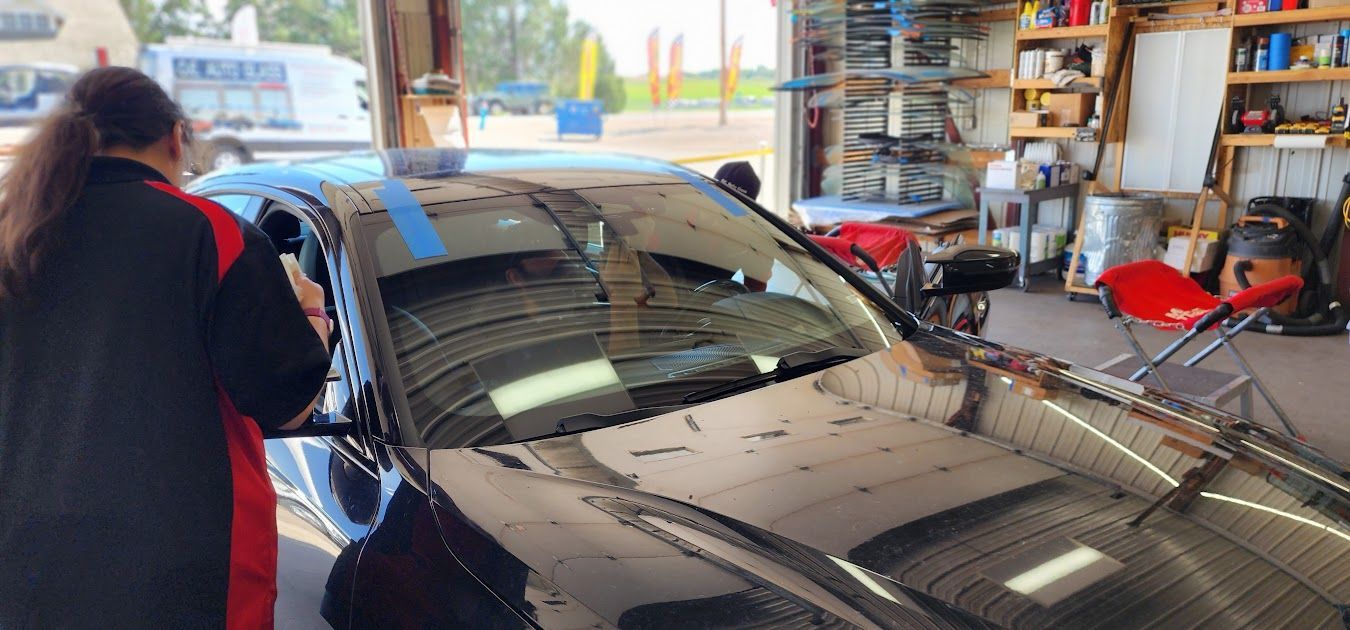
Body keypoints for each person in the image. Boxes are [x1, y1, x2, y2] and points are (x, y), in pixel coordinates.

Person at [0, 67, 331, 627]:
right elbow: (291, 407)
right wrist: (311, 312)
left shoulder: (16, 235)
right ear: (176, 138)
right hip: (184, 566)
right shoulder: (212, 233)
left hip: (29, 559)